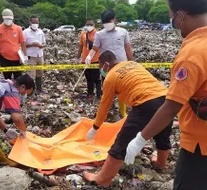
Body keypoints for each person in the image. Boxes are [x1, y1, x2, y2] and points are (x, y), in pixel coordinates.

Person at [125, 0, 207, 189]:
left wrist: (140, 139)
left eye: (171, 18)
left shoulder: (192, 54)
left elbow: (171, 107)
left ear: (180, 16)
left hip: (199, 146)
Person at [83, 51, 172, 187]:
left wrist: (95, 127)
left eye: (101, 66)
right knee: (162, 133)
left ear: (106, 64)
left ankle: (102, 179)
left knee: (122, 142)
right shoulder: (132, 64)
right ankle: (160, 163)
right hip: (166, 99)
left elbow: (104, 106)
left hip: (145, 103)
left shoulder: (111, 77)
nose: (101, 70)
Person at [85, 9, 134, 118]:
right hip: (106, 67)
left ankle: (123, 112)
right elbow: (95, 48)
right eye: (105, 23)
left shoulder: (123, 32)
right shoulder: (100, 34)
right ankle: (108, 110)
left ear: (114, 20)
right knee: (108, 90)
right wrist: (89, 56)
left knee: (122, 90)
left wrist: (132, 63)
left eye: (109, 22)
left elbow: (128, 49)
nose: (107, 25)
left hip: (122, 65)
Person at [0, 9, 27, 80]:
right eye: (6, 19)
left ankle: (16, 91)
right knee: (7, 79)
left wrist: (24, 55)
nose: (8, 20)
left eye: (9, 19)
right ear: (3, 18)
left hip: (17, 58)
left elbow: (23, 42)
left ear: (12, 18)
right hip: (4, 58)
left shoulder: (18, 28)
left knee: (18, 79)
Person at [77, 19, 101, 101]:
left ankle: (98, 95)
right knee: (88, 78)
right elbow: (80, 46)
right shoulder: (83, 34)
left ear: (94, 25)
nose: (89, 26)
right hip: (85, 60)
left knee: (96, 79)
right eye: (87, 24)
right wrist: (77, 57)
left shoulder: (98, 34)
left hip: (95, 60)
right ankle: (90, 94)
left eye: (91, 24)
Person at [23, 15, 46, 94]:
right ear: (30, 22)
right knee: (31, 74)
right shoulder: (25, 32)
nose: (35, 24)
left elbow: (44, 43)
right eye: (34, 22)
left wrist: (41, 46)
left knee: (40, 73)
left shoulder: (40, 32)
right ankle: (30, 91)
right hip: (31, 56)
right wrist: (32, 44)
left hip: (40, 55)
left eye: (37, 22)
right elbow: (22, 45)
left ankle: (39, 89)